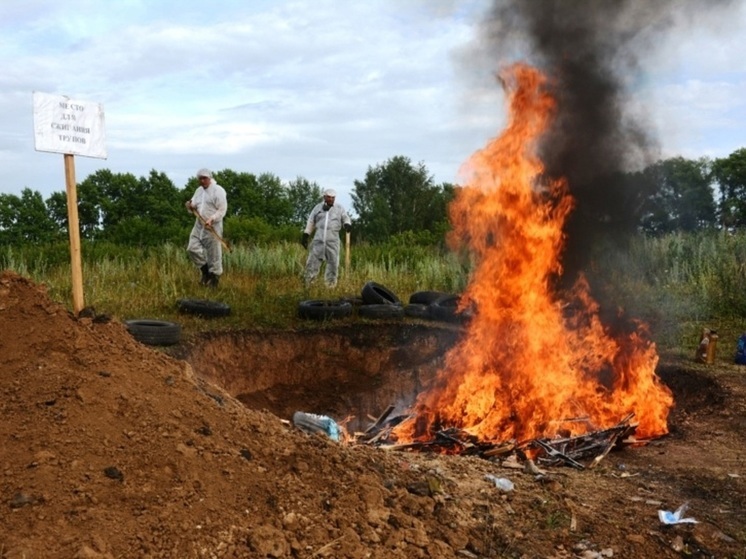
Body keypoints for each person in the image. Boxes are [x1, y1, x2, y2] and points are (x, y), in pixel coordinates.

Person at [185, 168, 227, 289]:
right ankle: (205, 272)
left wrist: (212, 219)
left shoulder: (218, 191)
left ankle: (214, 280)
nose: (202, 181)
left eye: (204, 178)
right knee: (192, 248)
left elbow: (222, 209)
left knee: (214, 253)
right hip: (199, 225)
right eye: (200, 178)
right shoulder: (198, 191)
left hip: (213, 226)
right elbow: (193, 204)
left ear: (210, 178)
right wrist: (190, 205)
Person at [302, 188, 351, 287]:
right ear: (324, 197)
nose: (331, 199)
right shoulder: (317, 208)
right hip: (318, 240)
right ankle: (309, 286)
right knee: (312, 264)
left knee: (333, 264)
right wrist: (306, 234)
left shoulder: (339, 208)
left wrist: (347, 224)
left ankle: (330, 287)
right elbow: (311, 221)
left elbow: (345, 217)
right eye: (329, 197)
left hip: (332, 241)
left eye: (333, 198)